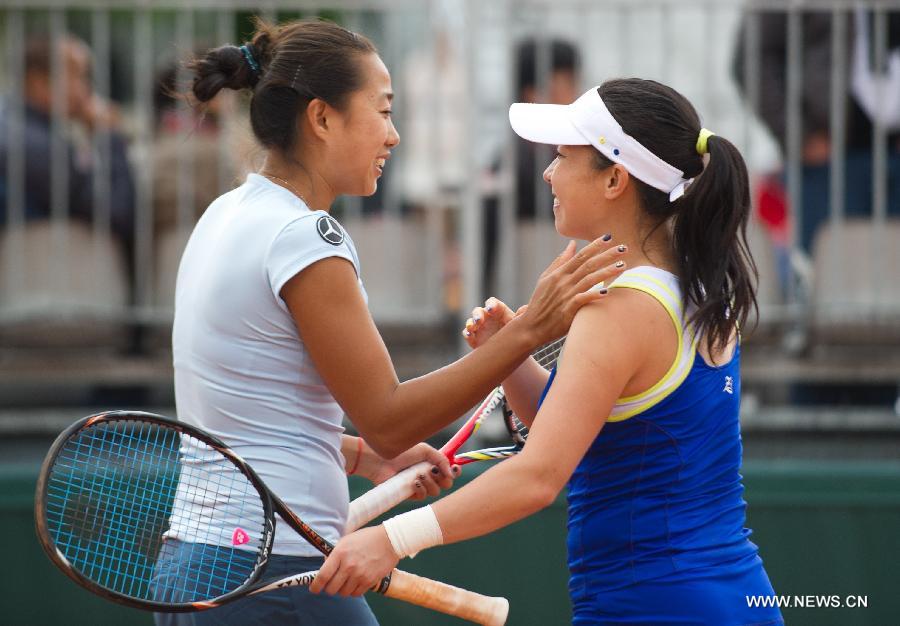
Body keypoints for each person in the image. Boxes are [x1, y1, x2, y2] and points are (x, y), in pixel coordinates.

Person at [153, 19, 625, 625]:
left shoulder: (226, 212)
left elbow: (256, 408)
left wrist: (360, 458)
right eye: (382, 111)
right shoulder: (304, 238)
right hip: (276, 579)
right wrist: (530, 331)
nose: (395, 136)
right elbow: (391, 417)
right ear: (321, 118)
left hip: (193, 571)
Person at [317, 79, 786, 626]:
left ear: (615, 178)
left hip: (652, 604)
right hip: (736, 599)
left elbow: (539, 475)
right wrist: (513, 355)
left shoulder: (617, 309)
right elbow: (590, 425)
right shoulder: (699, 284)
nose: (547, 172)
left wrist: (392, 539)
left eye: (563, 156)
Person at [0, 35, 135, 255]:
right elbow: (118, 213)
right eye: (78, 76)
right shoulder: (36, 146)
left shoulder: (19, 126)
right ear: (39, 82)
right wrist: (108, 135)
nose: (87, 89)